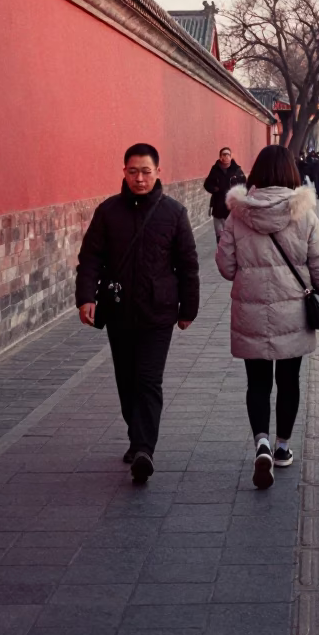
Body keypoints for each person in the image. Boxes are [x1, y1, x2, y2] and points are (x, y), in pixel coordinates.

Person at [216, 145, 319, 488]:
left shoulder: (236, 215)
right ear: (290, 172)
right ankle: (283, 447)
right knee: (289, 381)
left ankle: (262, 443)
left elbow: (226, 267)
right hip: (293, 311)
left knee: (257, 383)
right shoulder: (305, 214)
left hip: (250, 311)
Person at [76, 144, 199, 484]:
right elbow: (90, 259)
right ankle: (136, 436)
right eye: (133, 172)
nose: (140, 178)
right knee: (126, 379)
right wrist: (86, 297)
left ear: (158, 172)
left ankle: (144, 448)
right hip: (118, 310)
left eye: (146, 171)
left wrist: (188, 308)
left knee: (148, 379)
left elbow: (188, 264)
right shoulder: (108, 212)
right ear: (124, 172)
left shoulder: (174, 213)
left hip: (158, 312)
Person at [204, 147, 247, 242]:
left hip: (233, 208)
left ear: (231, 157)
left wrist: (238, 193)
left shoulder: (237, 170)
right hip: (218, 207)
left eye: (228, 154)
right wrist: (215, 189)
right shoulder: (215, 170)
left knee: (234, 236)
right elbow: (207, 184)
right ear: (220, 157)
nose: (226, 156)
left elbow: (244, 185)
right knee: (220, 236)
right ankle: (221, 253)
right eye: (224, 154)